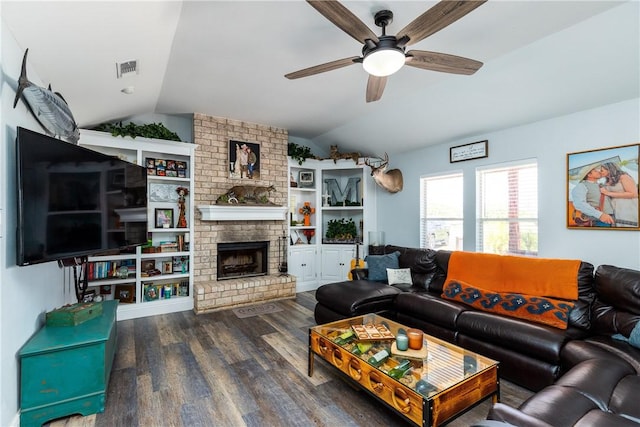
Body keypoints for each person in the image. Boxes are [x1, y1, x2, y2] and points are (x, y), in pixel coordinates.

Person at [599, 161, 638, 227]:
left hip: (627, 206)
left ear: (609, 169)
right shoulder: (607, 181)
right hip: (614, 207)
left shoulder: (624, 177)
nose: (600, 172)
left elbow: (633, 194)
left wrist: (607, 193)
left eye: (602, 170)